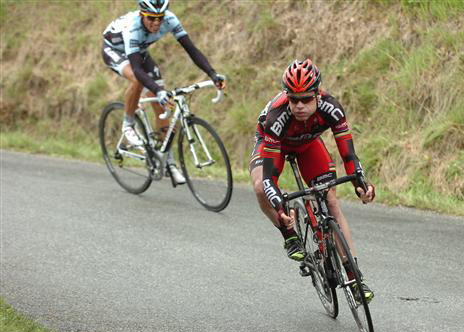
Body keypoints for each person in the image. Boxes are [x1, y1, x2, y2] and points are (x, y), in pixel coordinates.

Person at [249, 59, 376, 301]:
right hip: (271, 143)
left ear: (318, 94)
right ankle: (290, 236)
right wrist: (280, 208)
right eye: (293, 99)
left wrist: (361, 185)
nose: (298, 106)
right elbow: (269, 179)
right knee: (259, 188)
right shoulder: (277, 117)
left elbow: (349, 155)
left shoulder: (332, 108)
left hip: (307, 144)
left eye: (306, 99)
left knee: (331, 201)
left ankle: (354, 278)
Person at [102, 0, 225, 185]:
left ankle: (168, 162)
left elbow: (191, 49)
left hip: (139, 51)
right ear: (142, 14)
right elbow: (136, 69)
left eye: (160, 18)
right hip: (114, 49)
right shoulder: (132, 28)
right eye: (151, 18)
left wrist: (212, 73)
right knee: (138, 80)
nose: (156, 23)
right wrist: (158, 90)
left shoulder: (170, 19)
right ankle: (128, 126)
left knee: (163, 106)